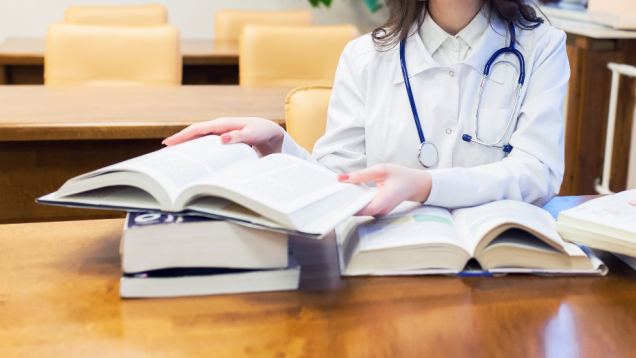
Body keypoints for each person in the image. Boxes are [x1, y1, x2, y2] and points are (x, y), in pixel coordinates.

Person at [164, 0, 568, 217]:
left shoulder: (542, 47)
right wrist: (280, 146)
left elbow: (539, 172)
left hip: (501, 268)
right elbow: (336, 179)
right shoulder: (364, 55)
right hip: (390, 268)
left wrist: (426, 186)